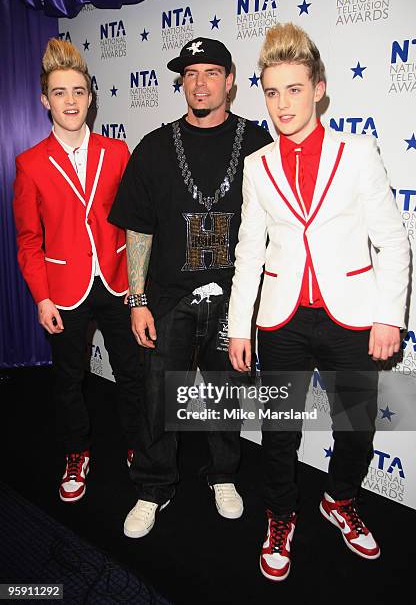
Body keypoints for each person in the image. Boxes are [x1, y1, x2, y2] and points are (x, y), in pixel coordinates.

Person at [228, 23, 410, 581]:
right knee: (279, 431)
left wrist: (388, 316)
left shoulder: (357, 152)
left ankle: (340, 499)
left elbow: (392, 239)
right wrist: (239, 327)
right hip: (280, 320)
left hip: (350, 317)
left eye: (294, 89)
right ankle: (280, 515)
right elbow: (248, 247)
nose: (282, 104)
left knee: (355, 428)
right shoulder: (258, 164)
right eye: (272, 91)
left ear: (319, 89)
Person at [109, 37, 273, 537]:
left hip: (234, 300)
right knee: (160, 398)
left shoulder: (257, 143)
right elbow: (138, 227)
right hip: (168, 297)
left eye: (210, 73)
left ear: (229, 81)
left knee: (227, 394)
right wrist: (137, 300)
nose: (199, 83)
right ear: (182, 81)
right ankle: (152, 487)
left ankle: (223, 475)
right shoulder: (156, 146)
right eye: (190, 74)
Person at [13, 39, 142, 503]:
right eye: (60, 92)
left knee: (133, 371)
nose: (71, 100)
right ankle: (76, 452)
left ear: (90, 96)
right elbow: (29, 240)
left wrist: (139, 290)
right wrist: (42, 297)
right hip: (63, 290)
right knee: (69, 380)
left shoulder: (117, 150)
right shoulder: (29, 164)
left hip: (116, 280)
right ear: (45, 100)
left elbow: (135, 224)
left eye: (79, 91)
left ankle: (137, 445)